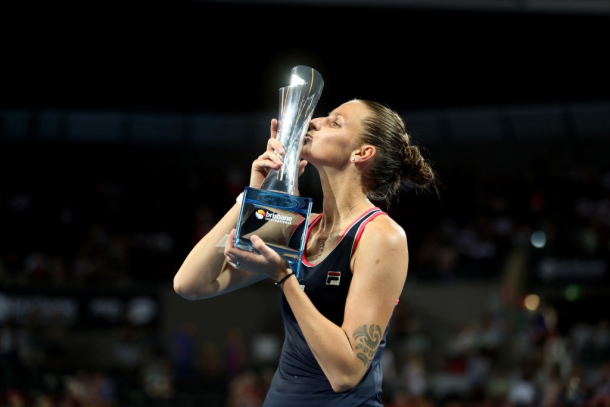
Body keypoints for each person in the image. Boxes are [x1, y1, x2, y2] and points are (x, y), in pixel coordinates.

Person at [173, 99, 436, 406]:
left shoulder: (381, 236)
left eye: (335, 122)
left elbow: (345, 373)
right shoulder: (300, 226)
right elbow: (189, 284)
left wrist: (285, 277)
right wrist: (253, 199)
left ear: (362, 153)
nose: (314, 121)